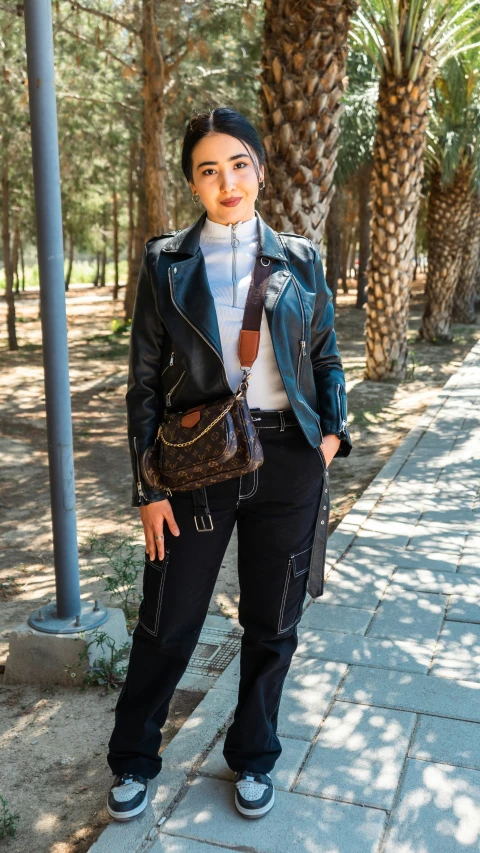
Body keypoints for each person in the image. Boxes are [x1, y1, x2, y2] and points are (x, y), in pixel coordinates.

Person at [106, 106, 352, 822]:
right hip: (197, 462)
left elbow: (328, 355)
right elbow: (144, 384)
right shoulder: (165, 262)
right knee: (169, 618)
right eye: (209, 169)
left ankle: (253, 755)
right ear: (192, 182)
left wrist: (330, 435)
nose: (227, 181)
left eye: (239, 164)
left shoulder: (301, 257)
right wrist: (148, 488)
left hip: (290, 461)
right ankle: (134, 756)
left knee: (272, 623)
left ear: (262, 170)